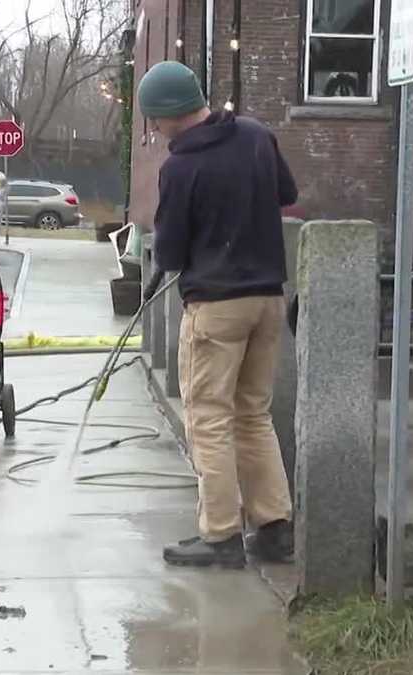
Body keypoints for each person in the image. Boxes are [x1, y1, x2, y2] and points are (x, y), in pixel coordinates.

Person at [137, 61, 298, 569]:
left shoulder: (180, 167)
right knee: (253, 414)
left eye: (154, 121)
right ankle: (274, 529)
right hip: (269, 298)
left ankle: (221, 535)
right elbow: (286, 195)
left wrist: (161, 264)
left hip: (217, 306)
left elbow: (172, 252)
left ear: (165, 116)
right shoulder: (254, 134)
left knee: (208, 418)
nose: (156, 132)